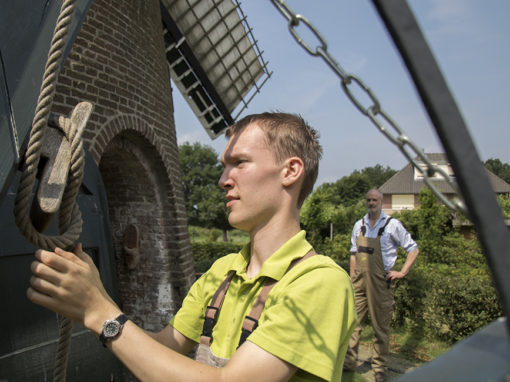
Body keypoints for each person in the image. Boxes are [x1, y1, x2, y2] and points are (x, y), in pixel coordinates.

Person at [28, 112, 356, 382]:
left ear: (290, 171)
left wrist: (101, 313)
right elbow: (164, 348)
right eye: (224, 166)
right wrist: (91, 297)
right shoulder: (223, 271)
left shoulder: (319, 281)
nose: (223, 180)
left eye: (239, 163)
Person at [343, 189, 419, 381]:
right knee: (354, 323)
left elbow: (413, 249)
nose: (371, 203)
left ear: (381, 202)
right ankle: (349, 362)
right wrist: (353, 278)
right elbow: (353, 253)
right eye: (368, 199)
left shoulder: (392, 225)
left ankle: (379, 369)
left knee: (380, 328)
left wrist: (402, 272)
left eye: (375, 199)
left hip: (381, 282)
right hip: (359, 281)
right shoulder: (358, 225)